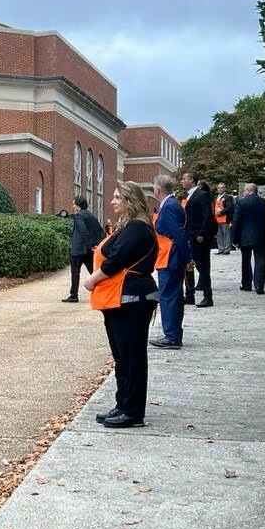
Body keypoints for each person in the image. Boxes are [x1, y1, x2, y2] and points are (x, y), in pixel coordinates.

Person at [84, 182, 158, 428]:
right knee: (122, 356)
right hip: (121, 299)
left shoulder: (137, 228)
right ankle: (123, 403)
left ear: (130, 201)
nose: (113, 201)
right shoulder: (129, 226)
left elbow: (117, 259)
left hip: (132, 299)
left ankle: (133, 411)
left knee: (132, 355)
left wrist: (92, 280)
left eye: (117, 197)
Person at [149, 175, 191, 349]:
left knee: (168, 297)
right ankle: (172, 333)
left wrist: (187, 258)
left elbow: (178, 234)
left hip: (170, 258)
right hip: (170, 257)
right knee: (172, 296)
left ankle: (171, 336)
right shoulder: (172, 204)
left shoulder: (169, 207)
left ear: (158, 190)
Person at [180, 172, 216, 307]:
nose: (182, 181)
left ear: (191, 180)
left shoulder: (202, 195)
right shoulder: (188, 196)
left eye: (184, 179)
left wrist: (202, 233)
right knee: (188, 264)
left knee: (202, 266)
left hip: (199, 236)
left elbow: (207, 216)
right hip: (189, 235)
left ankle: (208, 296)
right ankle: (189, 295)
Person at [231, 183, 265, 295]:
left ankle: (246, 284)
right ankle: (259, 285)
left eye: (244, 190)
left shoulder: (241, 203)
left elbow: (236, 222)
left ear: (249, 191)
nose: (244, 193)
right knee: (260, 259)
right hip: (260, 236)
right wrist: (264, 231)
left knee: (246, 260)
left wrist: (234, 238)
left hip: (245, 237)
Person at [62, 195, 105, 303]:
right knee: (94, 272)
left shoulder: (79, 216)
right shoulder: (91, 216)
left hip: (78, 249)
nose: (72, 206)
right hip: (89, 251)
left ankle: (74, 295)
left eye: (74, 204)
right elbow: (100, 231)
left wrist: (89, 243)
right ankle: (102, 291)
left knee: (75, 273)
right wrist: (95, 244)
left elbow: (83, 231)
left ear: (78, 205)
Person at [214, 182, 234, 254]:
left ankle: (226, 249)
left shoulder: (228, 197)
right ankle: (220, 249)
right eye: (219, 188)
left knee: (226, 234)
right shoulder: (216, 197)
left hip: (225, 218)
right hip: (217, 219)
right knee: (219, 235)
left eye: (222, 188)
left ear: (224, 188)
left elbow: (229, 207)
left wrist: (220, 212)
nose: (220, 189)